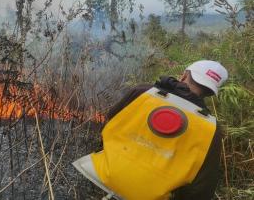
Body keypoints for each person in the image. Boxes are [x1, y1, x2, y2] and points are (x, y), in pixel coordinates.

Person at [73, 60, 228, 200]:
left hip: (102, 173)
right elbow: (202, 187)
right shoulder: (211, 129)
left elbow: (111, 121)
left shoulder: (143, 92)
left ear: (184, 75)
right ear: (211, 93)